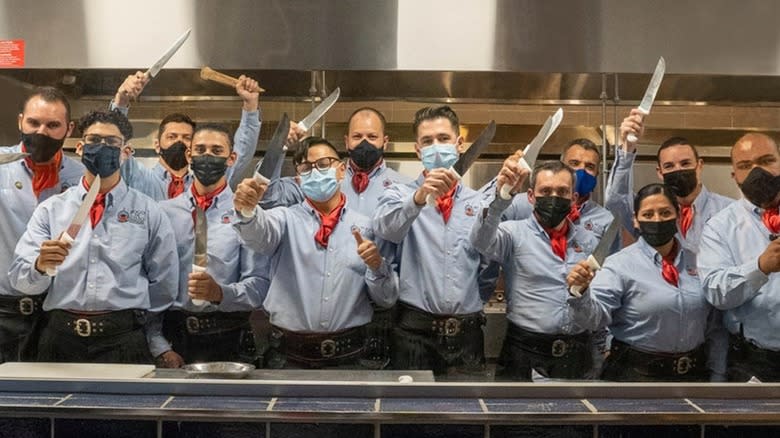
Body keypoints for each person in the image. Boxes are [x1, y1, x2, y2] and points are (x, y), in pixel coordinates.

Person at [9, 110, 178, 364]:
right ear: (79, 147)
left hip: (124, 338)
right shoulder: (51, 210)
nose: (102, 148)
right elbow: (20, 280)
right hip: (58, 338)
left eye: (112, 143)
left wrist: (140, 323)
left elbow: (165, 284)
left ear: (126, 152)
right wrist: (40, 267)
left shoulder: (149, 212)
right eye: (94, 140)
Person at [260, 107, 411, 368]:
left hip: (373, 310)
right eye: (357, 136)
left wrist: (379, 267)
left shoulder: (402, 188)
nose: (364, 142)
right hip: (301, 324)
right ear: (346, 141)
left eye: (372, 136)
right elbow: (268, 197)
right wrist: (281, 147)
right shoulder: (318, 176)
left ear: (385, 141)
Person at [233, 137, 398, 368]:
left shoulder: (368, 227)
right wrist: (248, 210)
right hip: (287, 357)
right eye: (307, 168)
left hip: (351, 356)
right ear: (299, 179)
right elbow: (258, 234)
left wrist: (377, 265)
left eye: (323, 164)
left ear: (341, 171)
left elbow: (387, 299)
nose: (315, 171)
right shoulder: (284, 219)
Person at [373, 105, 487, 378]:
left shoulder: (479, 202)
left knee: (468, 416)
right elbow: (386, 230)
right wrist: (419, 197)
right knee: (411, 415)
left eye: (443, 139)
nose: (436, 147)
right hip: (414, 334)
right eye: (427, 141)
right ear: (417, 150)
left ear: (459, 144)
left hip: (467, 336)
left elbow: (488, 266)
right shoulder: (398, 194)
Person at [568, 183, 723, 381]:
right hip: (635, 376)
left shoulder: (701, 262)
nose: (657, 220)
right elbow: (593, 319)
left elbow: (714, 325)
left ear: (678, 215)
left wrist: (718, 373)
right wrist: (579, 293)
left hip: (693, 375)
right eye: (648, 215)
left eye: (665, 212)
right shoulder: (619, 265)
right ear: (635, 220)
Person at [470, 160, 598, 381]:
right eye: (545, 191)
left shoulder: (590, 241)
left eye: (562, 191)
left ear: (574, 199)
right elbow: (481, 241)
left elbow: (597, 308)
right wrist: (500, 200)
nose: (554, 197)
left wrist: (582, 292)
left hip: (578, 355)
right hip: (524, 353)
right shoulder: (512, 233)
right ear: (531, 196)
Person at [158, 123, 268, 367]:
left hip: (229, 337)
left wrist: (221, 293)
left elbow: (259, 284)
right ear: (189, 155)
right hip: (173, 337)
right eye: (200, 149)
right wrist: (158, 344)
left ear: (231, 159)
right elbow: (151, 282)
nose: (207, 156)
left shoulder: (248, 216)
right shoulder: (163, 213)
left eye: (217, 151)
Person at [0, 87, 84, 363]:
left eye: (53, 125)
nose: (42, 132)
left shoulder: (81, 177)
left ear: (68, 129)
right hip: (4, 312)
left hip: (58, 316)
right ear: (20, 121)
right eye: (33, 123)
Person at [699, 133, 780, 381]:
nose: (757, 172)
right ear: (734, 175)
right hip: (755, 362)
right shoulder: (720, 227)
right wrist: (759, 268)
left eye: (766, 161)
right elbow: (715, 291)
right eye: (745, 166)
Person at [111, 71, 262, 199]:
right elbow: (112, 141)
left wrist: (250, 105)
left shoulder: (209, 180)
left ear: (192, 150)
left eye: (187, 138)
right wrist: (122, 100)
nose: (179, 142)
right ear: (157, 145)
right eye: (172, 137)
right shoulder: (136, 176)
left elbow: (241, 152)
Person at [606, 109, 732, 252]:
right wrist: (627, 147)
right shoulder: (649, 212)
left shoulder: (728, 211)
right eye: (669, 166)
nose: (678, 170)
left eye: (685, 163)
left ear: (700, 165)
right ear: (660, 172)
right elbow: (616, 201)